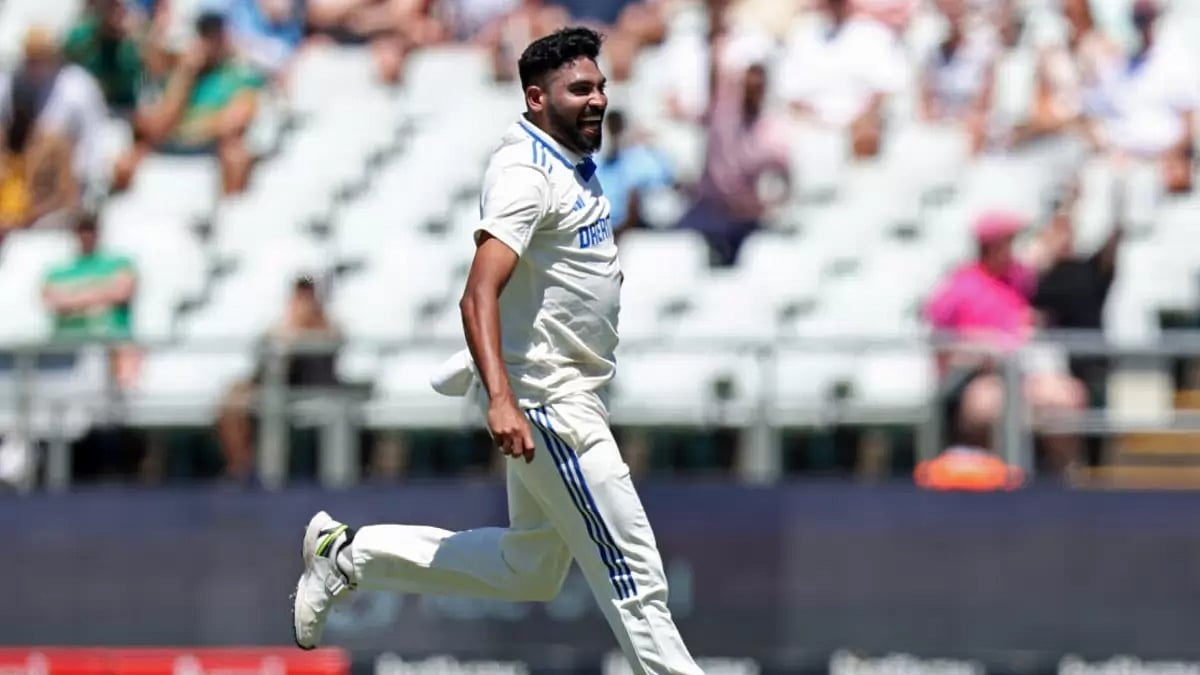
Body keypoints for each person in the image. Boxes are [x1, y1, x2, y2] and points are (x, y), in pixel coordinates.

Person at [291, 27, 702, 674]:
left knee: (529, 569)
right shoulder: (526, 173)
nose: (596, 100)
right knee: (635, 580)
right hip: (548, 401)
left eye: (600, 87)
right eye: (579, 90)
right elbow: (478, 293)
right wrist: (504, 398)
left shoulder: (571, 162)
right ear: (537, 98)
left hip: (563, 388)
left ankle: (349, 555)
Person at [924, 211, 1088, 476]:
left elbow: (1046, 254)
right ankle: (1002, 479)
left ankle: (1068, 477)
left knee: (1065, 397)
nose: (1010, 249)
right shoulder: (960, 284)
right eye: (1005, 242)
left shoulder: (1018, 277)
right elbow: (939, 338)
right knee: (990, 406)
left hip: (1025, 371)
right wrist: (977, 348)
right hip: (981, 375)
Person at [113, 11, 264, 195]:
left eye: (216, 36)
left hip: (210, 148)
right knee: (125, 161)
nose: (210, 43)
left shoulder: (240, 76)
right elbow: (157, 127)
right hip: (173, 144)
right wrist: (186, 73)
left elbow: (231, 124)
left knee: (236, 154)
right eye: (205, 36)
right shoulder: (177, 75)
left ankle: (229, 214)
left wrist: (187, 128)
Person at [216, 275, 341, 482]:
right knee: (233, 401)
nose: (303, 302)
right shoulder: (284, 324)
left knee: (271, 406)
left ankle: (263, 475)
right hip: (276, 385)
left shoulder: (326, 325)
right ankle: (241, 467)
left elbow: (323, 361)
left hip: (310, 390)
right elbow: (270, 363)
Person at [677, 61, 790, 266]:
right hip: (710, 213)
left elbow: (781, 184)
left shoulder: (774, 130)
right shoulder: (722, 119)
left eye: (756, 87)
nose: (750, 92)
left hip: (753, 223)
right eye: (746, 86)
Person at [0, 28, 108, 230]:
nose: (34, 64)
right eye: (31, 58)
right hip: (21, 179)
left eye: (40, 58)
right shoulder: (12, 83)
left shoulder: (78, 87)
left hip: (64, 181)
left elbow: (93, 138)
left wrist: (87, 182)